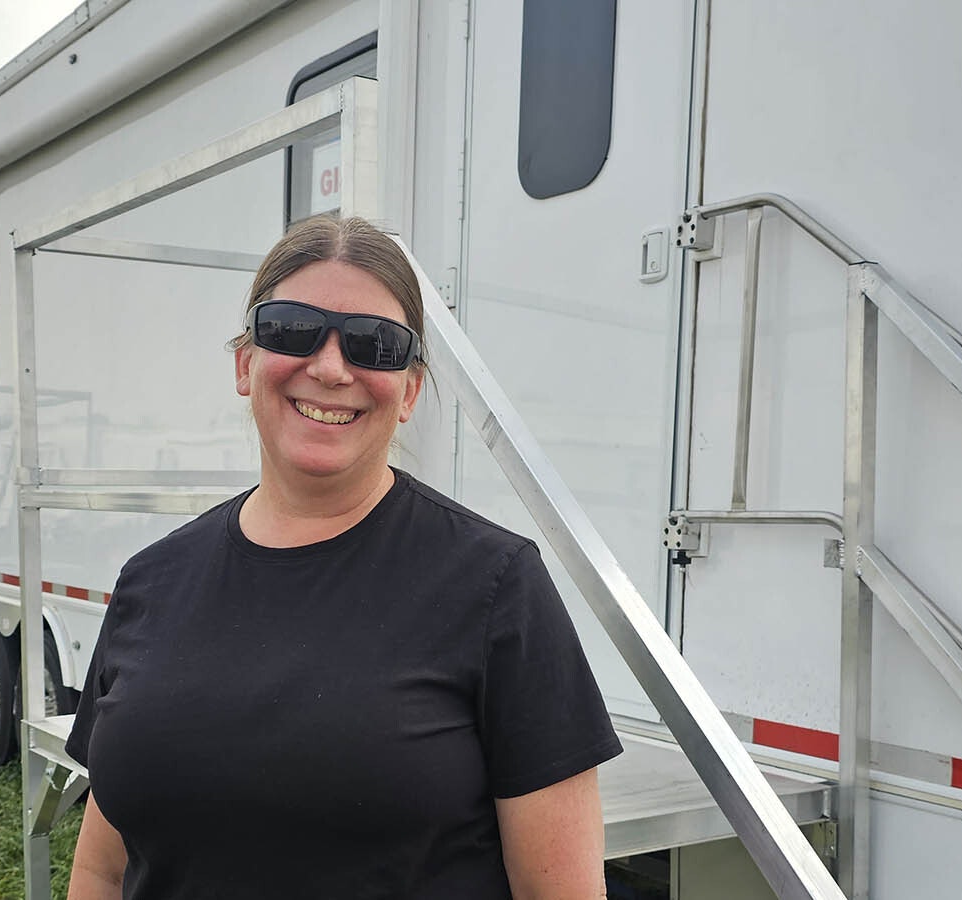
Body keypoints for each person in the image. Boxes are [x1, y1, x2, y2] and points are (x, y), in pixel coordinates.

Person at [64, 215, 622, 899]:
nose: (330, 367)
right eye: (292, 328)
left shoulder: (496, 585)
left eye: (375, 344)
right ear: (246, 363)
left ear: (410, 390)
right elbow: (100, 869)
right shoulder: (151, 581)